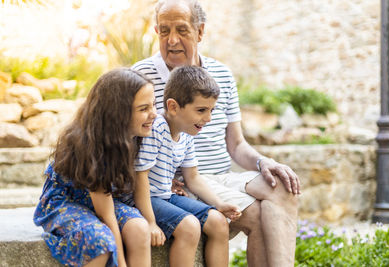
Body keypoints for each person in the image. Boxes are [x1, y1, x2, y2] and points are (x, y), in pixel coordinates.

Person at [132, 0, 301, 266]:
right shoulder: (141, 76)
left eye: (182, 30)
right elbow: (130, 145)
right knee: (256, 215)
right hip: (184, 182)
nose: (172, 40)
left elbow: (236, 144)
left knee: (283, 188)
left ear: (200, 32)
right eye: (164, 31)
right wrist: (163, 181)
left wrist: (263, 162)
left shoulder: (221, 74)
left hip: (220, 176)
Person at [33, 68, 157, 267]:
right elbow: (105, 214)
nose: (154, 114)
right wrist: (122, 263)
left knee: (139, 228)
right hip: (65, 201)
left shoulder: (134, 136)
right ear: (118, 113)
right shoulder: (93, 147)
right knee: (100, 243)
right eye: (144, 109)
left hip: (98, 201)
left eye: (153, 105)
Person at [122, 65, 241, 266]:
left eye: (211, 110)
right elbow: (140, 176)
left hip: (164, 196)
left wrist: (219, 204)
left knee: (219, 222)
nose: (208, 118)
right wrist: (150, 222)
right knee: (189, 226)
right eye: (201, 110)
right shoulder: (156, 128)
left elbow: (192, 177)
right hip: (144, 199)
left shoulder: (186, 133)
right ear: (174, 107)